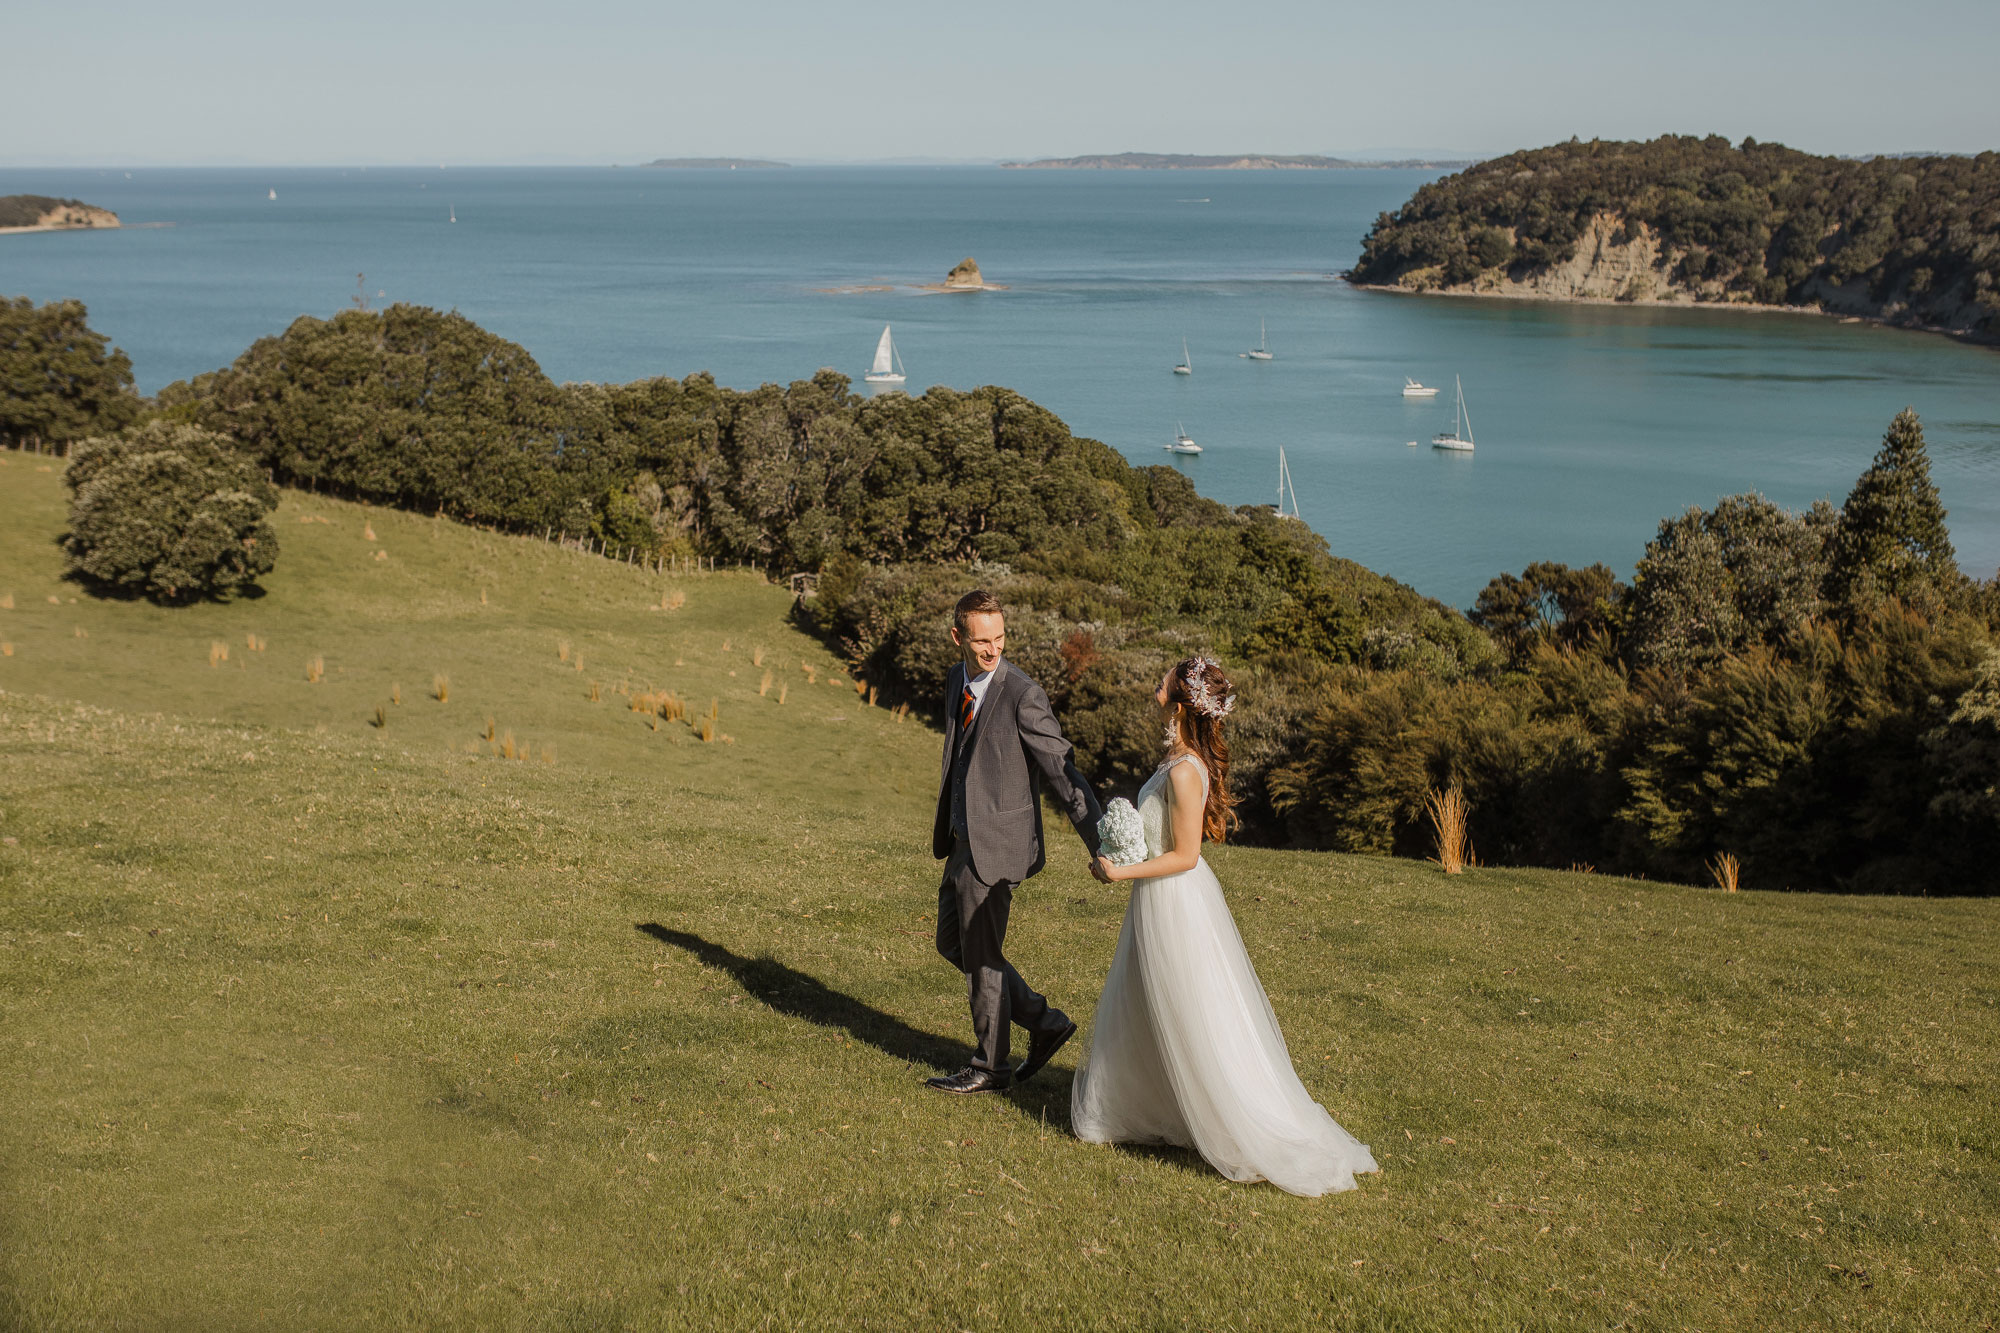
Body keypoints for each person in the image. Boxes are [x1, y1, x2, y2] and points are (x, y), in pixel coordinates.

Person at [1072, 656, 1379, 1196]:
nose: (1158, 679)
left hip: (1175, 902)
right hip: (1156, 898)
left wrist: (1122, 872)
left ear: (1183, 696)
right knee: (1150, 1004)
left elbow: (1186, 856)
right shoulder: (1176, 758)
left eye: (1167, 675)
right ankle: (1155, 1104)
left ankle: (1236, 1120)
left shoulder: (1188, 770)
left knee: (1193, 1012)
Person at [927, 589, 1103, 1095]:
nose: (992, 650)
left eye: (1000, 638)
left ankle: (990, 1066)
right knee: (952, 943)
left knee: (982, 957)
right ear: (957, 637)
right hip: (962, 839)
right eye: (982, 640)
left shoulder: (1023, 693)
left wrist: (1099, 841)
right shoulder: (955, 679)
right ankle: (1046, 1023)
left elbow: (1061, 770)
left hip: (999, 846)